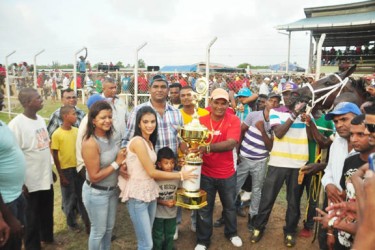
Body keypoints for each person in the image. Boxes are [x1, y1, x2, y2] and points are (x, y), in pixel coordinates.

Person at [118, 106, 196, 250]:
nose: (149, 125)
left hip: (150, 194)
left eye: (153, 121)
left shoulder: (149, 142)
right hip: (137, 196)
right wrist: (180, 174)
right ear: (139, 123)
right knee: (146, 244)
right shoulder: (138, 142)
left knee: (150, 240)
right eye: (145, 122)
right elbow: (152, 172)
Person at [250, 82, 310, 247]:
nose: (288, 97)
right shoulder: (277, 111)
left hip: (298, 163)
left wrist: (307, 119)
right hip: (278, 162)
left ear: (297, 95)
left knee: (293, 201)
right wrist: (295, 114)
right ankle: (258, 227)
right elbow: (279, 133)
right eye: (285, 94)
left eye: (292, 93)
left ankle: (290, 231)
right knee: (268, 198)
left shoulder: (307, 113)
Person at [314, 114, 374, 249]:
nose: (354, 139)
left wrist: (333, 223)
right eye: (352, 135)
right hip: (343, 237)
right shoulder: (350, 161)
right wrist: (331, 231)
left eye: (360, 134)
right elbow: (343, 198)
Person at [194, 88, 243, 250]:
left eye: (224, 103)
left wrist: (206, 148)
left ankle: (232, 233)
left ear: (228, 104)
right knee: (205, 208)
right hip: (206, 171)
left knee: (229, 206)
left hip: (227, 172)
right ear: (210, 102)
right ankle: (203, 240)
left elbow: (231, 143)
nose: (220, 107)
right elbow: (190, 140)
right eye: (217, 102)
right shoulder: (200, 120)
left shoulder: (234, 120)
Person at [8, 88, 54, 250]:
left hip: (45, 177)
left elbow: (45, 146)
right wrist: (21, 182)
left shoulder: (40, 119)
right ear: (27, 103)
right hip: (30, 181)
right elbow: (14, 156)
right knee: (31, 218)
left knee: (46, 212)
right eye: (38, 98)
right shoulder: (16, 125)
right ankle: (33, 246)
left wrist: (51, 170)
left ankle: (47, 239)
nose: (42, 99)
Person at [81, 101, 126, 250]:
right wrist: (117, 164)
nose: (107, 120)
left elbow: (116, 160)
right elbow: (94, 176)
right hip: (96, 192)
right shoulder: (90, 143)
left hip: (112, 191)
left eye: (110, 116)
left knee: (108, 229)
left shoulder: (112, 136)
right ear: (93, 120)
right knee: (98, 231)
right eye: (103, 118)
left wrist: (121, 166)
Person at [236, 92, 281, 230]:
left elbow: (270, 147)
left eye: (276, 102)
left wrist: (262, 130)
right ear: (266, 102)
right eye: (271, 100)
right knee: (234, 188)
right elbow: (241, 132)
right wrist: (236, 153)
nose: (273, 103)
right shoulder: (253, 115)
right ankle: (227, 215)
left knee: (256, 191)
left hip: (260, 161)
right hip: (243, 158)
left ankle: (252, 217)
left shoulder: (277, 122)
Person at [76, 94, 106, 234]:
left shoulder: (90, 120)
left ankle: (97, 227)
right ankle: (93, 228)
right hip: (85, 164)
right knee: (94, 199)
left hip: (87, 162)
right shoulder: (88, 124)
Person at [0, 93, 25, 250]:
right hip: (5, 204)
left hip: (16, 194)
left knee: (16, 242)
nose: (3, 95)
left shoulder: (2, 123)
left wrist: (21, 184)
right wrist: (5, 217)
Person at [51, 105, 81, 232]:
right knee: (68, 196)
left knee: (79, 195)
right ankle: (71, 222)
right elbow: (55, 155)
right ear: (65, 116)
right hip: (66, 170)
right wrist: (61, 175)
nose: (76, 116)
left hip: (78, 168)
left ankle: (81, 217)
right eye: (73, 114)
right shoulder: (57, 134)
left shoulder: (76, 131)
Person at [152, 147, 181, 250]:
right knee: (157, 236)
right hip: (158, 214)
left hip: (171, 214)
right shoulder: (156, 177)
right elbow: (152, 197)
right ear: (159, 164)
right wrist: (164, 202)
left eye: (172, 163)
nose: (170, 166)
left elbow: (180, 191)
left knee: (170, 235)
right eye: (166, 163)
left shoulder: (177, 175)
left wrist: (177, 200)